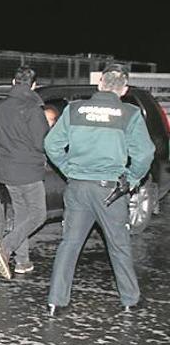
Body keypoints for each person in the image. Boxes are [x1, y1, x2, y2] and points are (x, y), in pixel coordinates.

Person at [43, 63, 154, 315]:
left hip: (78, 188)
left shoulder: (74, 110)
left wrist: (68, 169)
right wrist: (132, 177)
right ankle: (129, 299)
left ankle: (55, 301)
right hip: (110, 191)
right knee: (119, 245)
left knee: (69, 243)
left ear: (100, 83)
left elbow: (51, 144)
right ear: (123, 89)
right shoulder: (130, 114)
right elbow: (146, 152)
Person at [0, 66, 49, 278]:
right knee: (38, 214)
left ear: (14, 82)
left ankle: (23, 262)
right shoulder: (33, 109)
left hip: (8, 170)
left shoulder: (0, 107)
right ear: (34, 85)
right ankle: (5, 247)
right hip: (29, 171)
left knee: (23, 216)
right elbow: (42, 143)